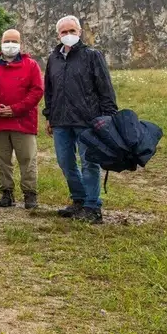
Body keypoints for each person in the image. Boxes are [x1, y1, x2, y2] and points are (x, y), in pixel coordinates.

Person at [44, 15, 118, 224]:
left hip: (88, 121)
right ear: (58, 35)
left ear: (80, 32)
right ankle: (79, 200)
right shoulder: (53, 59)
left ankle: (93, 207)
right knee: (65, 162)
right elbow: (49, 90)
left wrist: (108, 118)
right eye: (64, 32)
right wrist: (49, 115)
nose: (68, 35)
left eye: (72, 31)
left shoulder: (92, 56)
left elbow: (105, 89)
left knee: (89, 163)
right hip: (60, 120)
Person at [0, 29, 44, 210]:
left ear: (20, 43)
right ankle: (6, 193)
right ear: (0, 43)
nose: (10, 44)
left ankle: (30, 194)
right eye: (7, 41)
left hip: (23, 122)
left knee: (27, 159)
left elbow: (37, 91)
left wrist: (16, 109)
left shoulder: (31, 65)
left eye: (14, 41)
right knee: (3, 161)